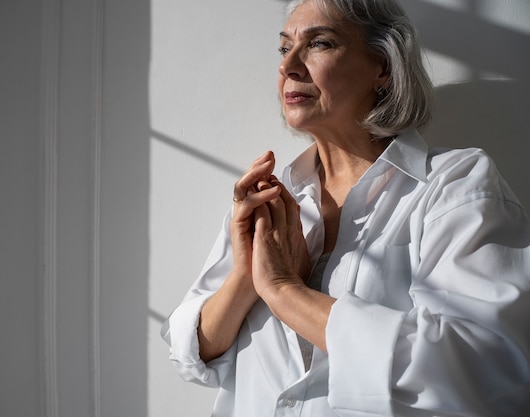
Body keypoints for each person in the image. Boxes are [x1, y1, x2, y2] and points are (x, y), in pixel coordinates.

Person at [161, 0, 530, 415]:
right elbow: (192, 355)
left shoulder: (454, 185)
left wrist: (284, 291)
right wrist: (247, 276)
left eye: (319, 43)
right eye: (285, 49)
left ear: (384, 67)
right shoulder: (271, 200)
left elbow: (485, 372)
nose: (290, 67)